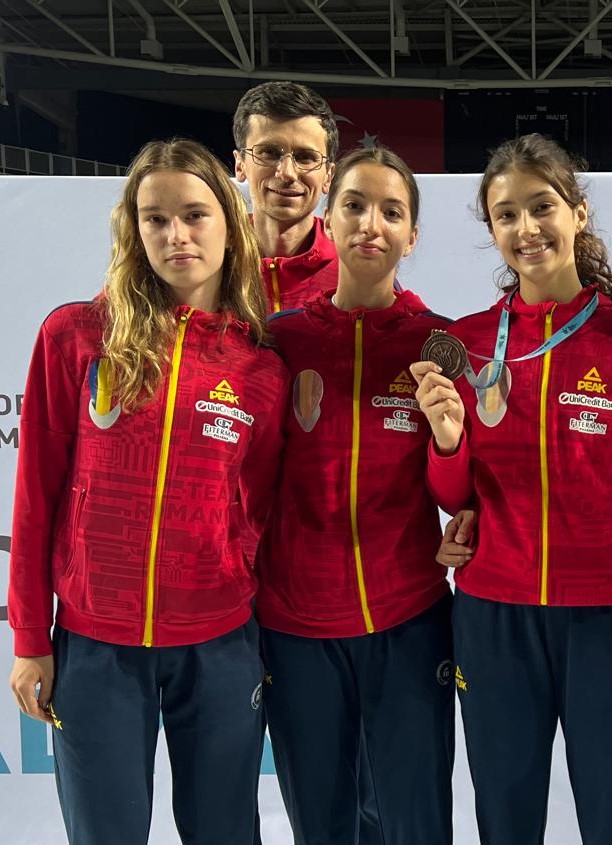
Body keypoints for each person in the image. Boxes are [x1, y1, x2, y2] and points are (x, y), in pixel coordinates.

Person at [411, 133, 612, 845]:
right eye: (505, 215)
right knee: (504, 820)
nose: (525, 229)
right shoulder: (467, 343)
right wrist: (446, 440)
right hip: (493, 618)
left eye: (541, 207)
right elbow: (455, 495)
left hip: (608, 624)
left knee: (609, 819)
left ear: (577, 214)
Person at [6, 138, 288, 844]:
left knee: (224, 830)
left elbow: (261, 509)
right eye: (154, 218)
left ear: (230, 221)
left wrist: (231, 576)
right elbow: (36, 496)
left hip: (220, 643)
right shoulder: (75, 336)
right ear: (132, 229)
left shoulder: (259, 366)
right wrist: (30, 637)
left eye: (194, 214)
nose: (175, 235)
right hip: (96, 645)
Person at [254, 144, 454, 845]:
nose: (371, 223)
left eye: (391, 211)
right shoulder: (276, 343)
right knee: (322, 824)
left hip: (409, 617)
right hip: (297, 625)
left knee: (416, 823)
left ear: (412, 235)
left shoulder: (440, 345)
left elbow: (464, 484)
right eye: (355, 205)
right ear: (328, 220)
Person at [233, 81, 340, 313]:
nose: (288, 173)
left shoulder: (354, 267)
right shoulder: (209, 262)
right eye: (269, 153)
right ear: (240, 165)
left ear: (328, 176)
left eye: (305, 157)